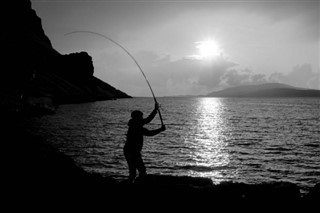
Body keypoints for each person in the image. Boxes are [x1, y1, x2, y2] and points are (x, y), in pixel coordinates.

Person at [123, 103, 166, 183]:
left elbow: (147, 122)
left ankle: (132, 183)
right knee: (140, 170)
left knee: (133, 171)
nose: (142, 118)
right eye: (141, 117)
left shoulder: (134, 124)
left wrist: (155, 111)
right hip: (132, 151)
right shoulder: (136, 126)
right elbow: (149, 130)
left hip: (129, 150)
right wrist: (160, 129)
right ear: (137, 117)